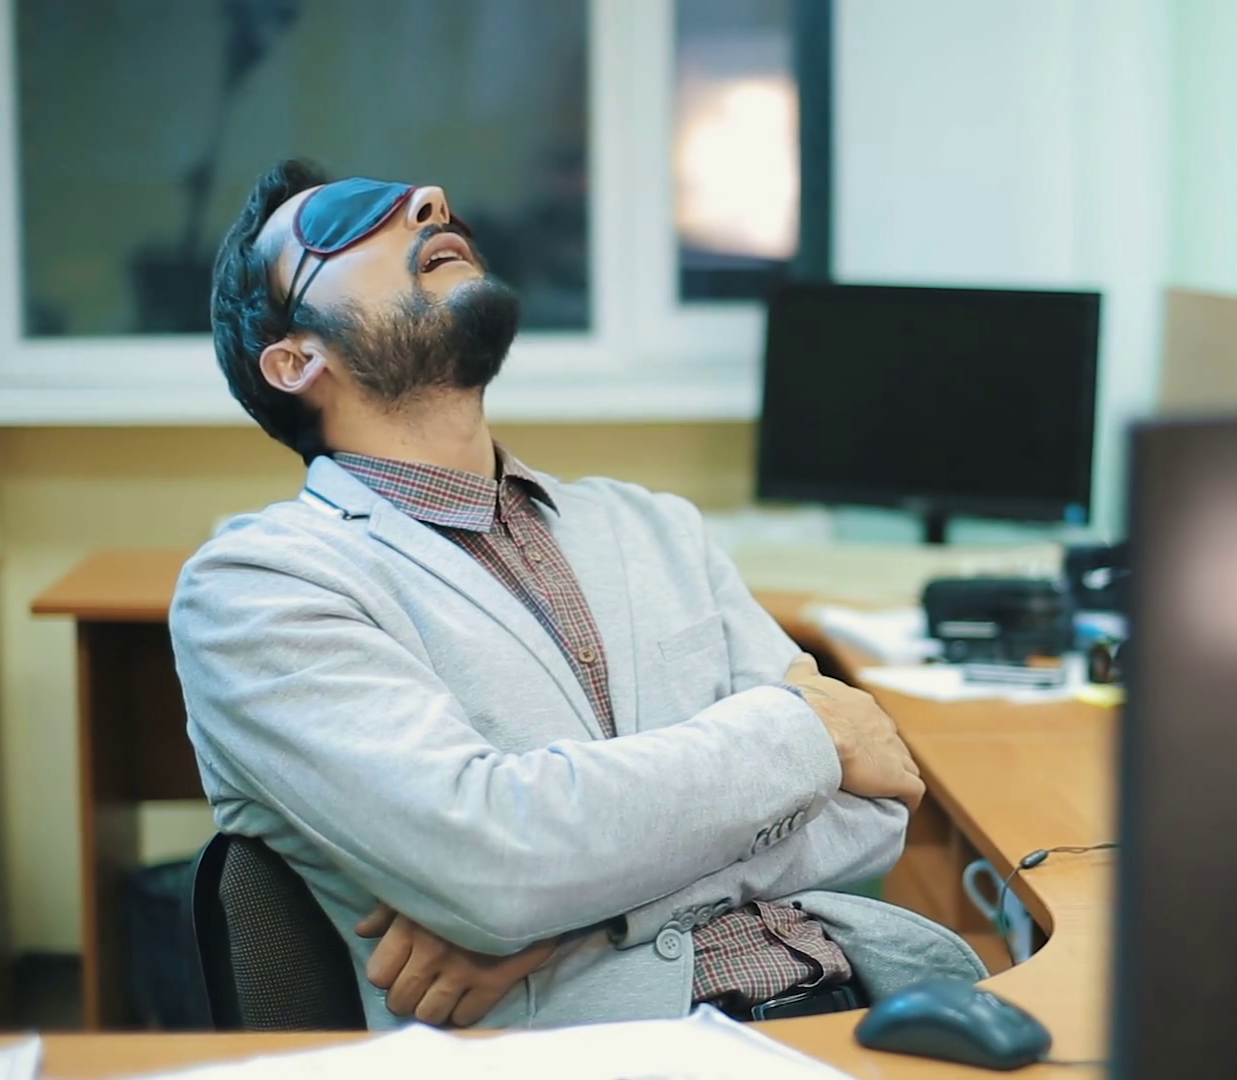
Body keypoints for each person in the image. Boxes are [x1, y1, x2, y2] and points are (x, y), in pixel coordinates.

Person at [173, 160, 985, 1031]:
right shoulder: (259, 587)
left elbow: (871, 808)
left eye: (420, 199)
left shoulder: (655, 527)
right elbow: (491, 861)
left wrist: (551, 922)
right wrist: (807, 734)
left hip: (850, 1009)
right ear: (297, 360)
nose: (430, 201)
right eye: (346, 218)